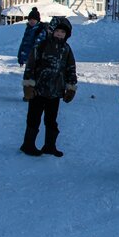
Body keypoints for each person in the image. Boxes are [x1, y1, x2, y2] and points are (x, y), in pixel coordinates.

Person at [20, 16, 77, 157]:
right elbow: (31, 66)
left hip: (55, 92)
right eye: (57, 31)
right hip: (38, 90)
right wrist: (28, 85)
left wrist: (70, 87)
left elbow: (71, 68)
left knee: (51, 120)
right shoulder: (41, 45)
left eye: (63, 32)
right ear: (52, 31)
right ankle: (28, 145)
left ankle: (50, 146)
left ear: (67, 34)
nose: (60, 34)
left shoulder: (67, 49)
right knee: (34, 118)